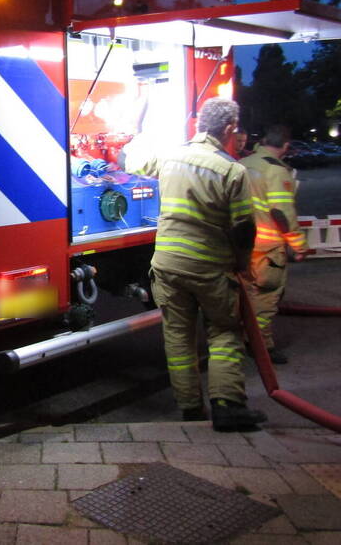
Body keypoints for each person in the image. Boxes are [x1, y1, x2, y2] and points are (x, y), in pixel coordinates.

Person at [125, 97, 267, 432]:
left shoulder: (172, 156)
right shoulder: (232, 170)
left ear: (200, 125)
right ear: (229, 128)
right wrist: (244, 264)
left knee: (177, 335)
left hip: (167, 264)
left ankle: (190, 407)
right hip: (210, 268)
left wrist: (137, 129)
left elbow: (133, 163)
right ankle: (228, 407)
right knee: (224, 332)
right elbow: (244, 228)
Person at [240, 125, 309, 364]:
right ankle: (261, 347)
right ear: (286, 146)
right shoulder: (276, 170)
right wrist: (299, 245)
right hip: (266, 249)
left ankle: (241, 339)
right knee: (266, 298)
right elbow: (281, 214)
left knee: (245, 296)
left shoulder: (245, 163)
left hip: (241, 245)